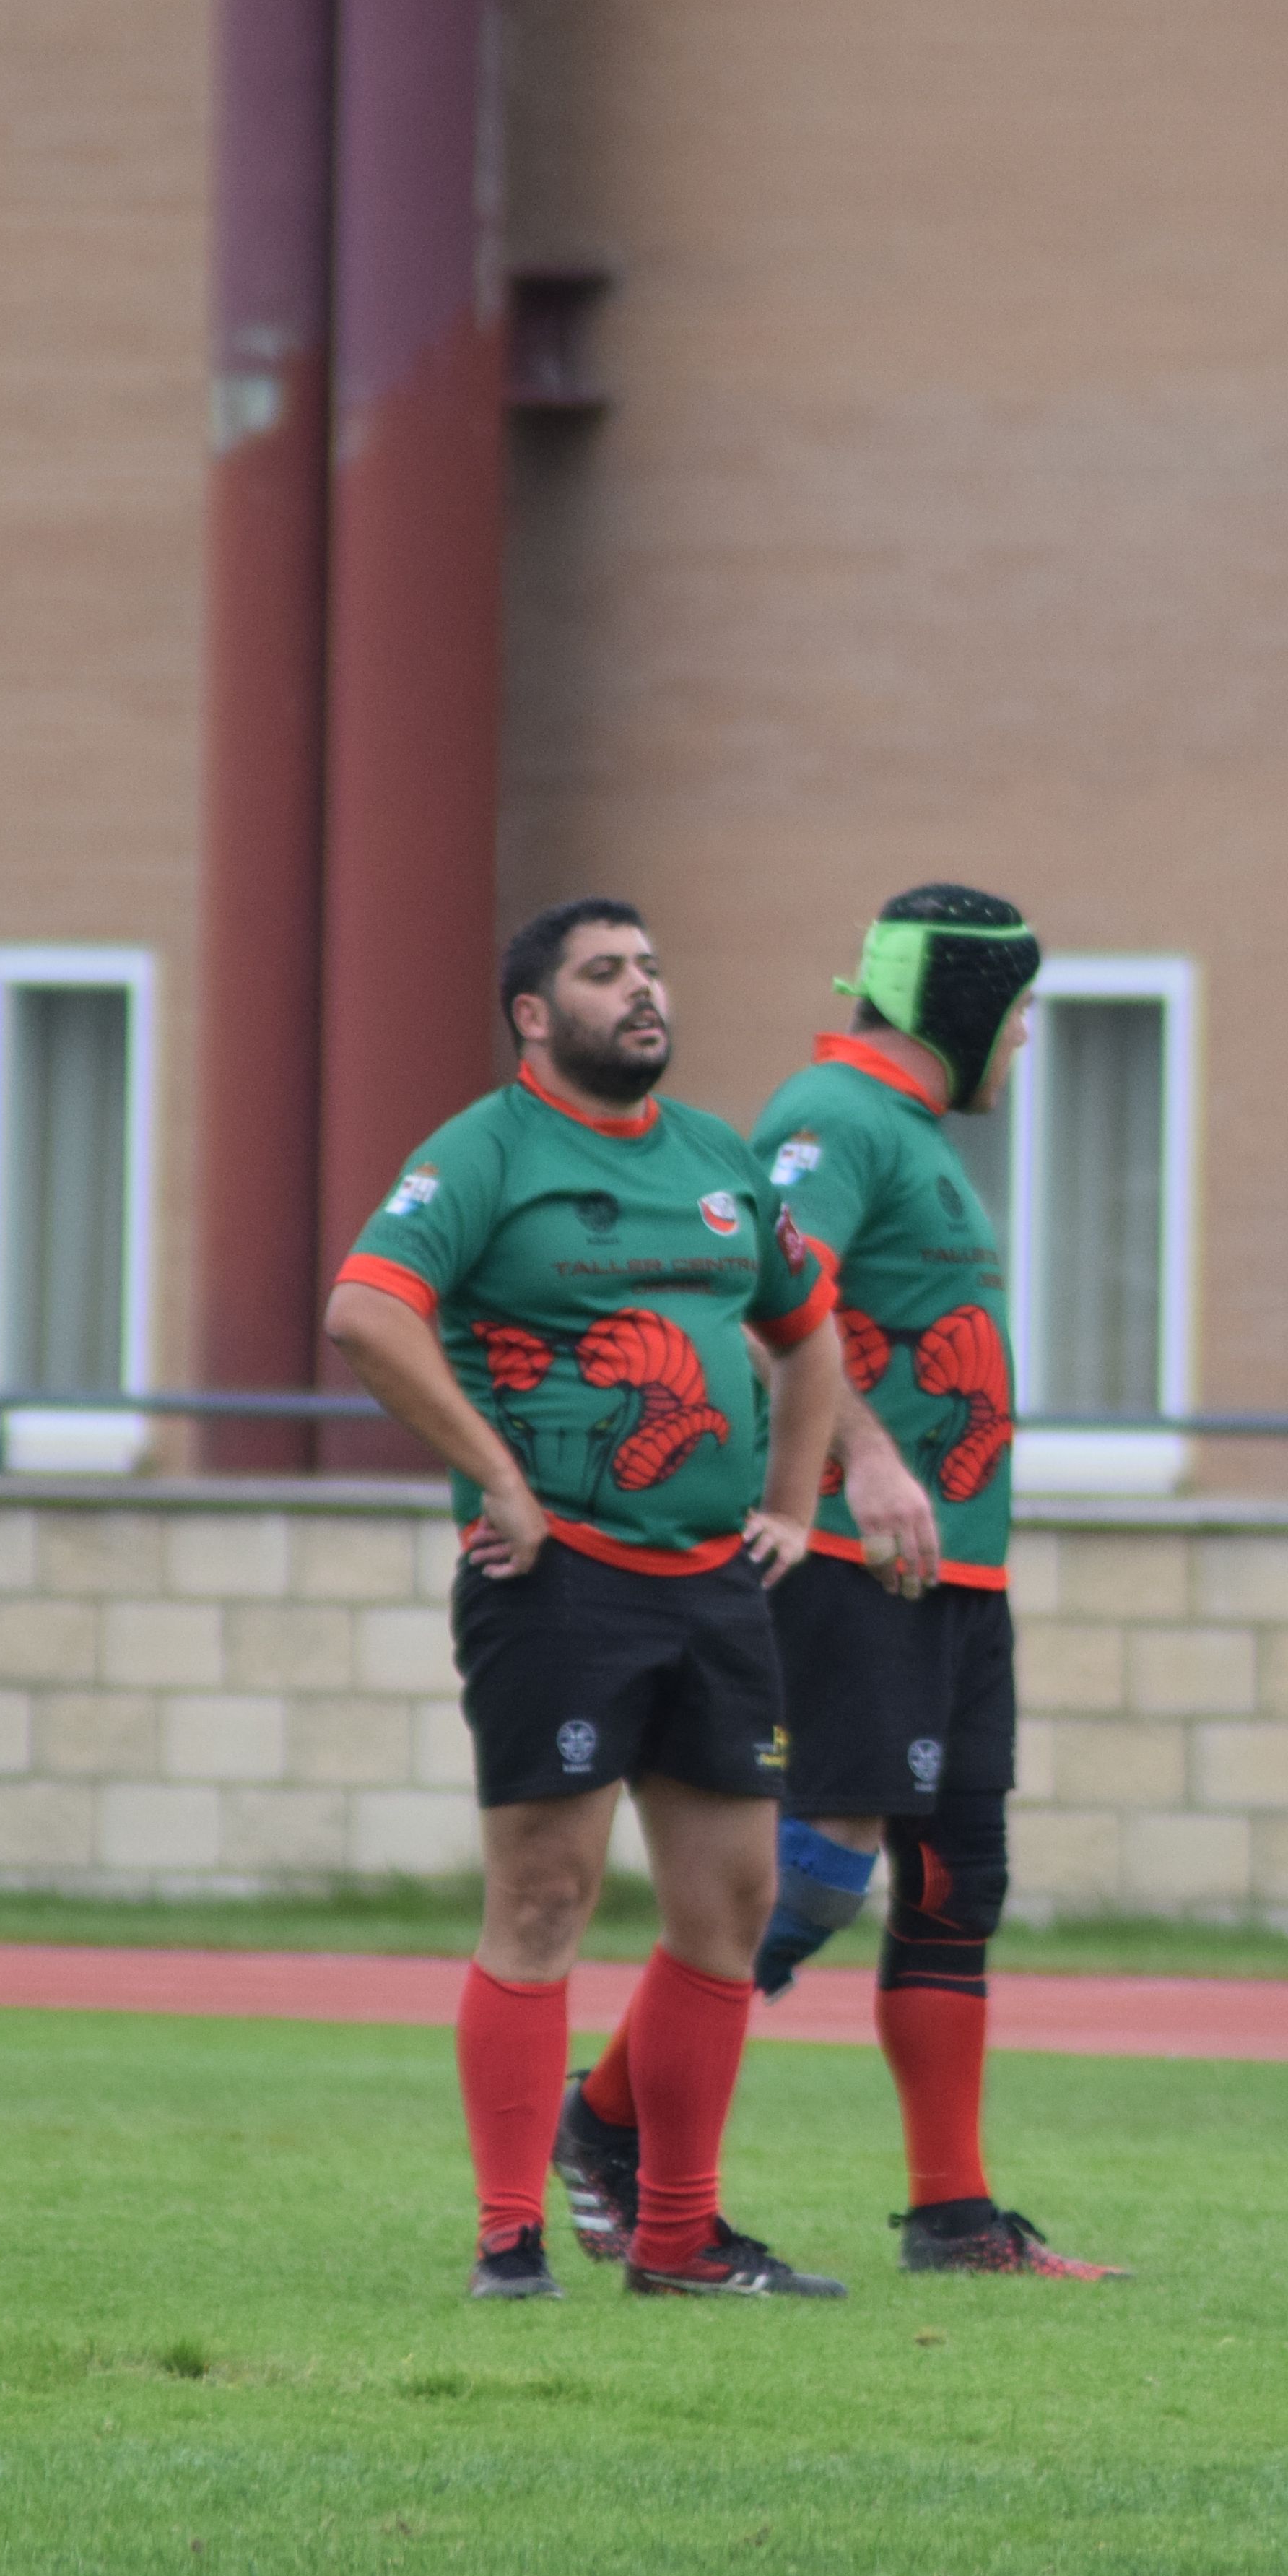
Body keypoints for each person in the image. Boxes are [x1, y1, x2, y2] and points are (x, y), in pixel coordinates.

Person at [553, 885, 1119, 2281]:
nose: (1029, 1039)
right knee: (809, 1873)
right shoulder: (834, 1117)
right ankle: (604, 2124)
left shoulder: (904, 1134)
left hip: (952, 1572)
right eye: (1022, 1010)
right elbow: (753, 1291)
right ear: (968, 1005)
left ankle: (953, 2214)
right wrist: (861, 1460)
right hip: (856, 1561)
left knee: (957, 1881)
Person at [325, 898, 858, 2302]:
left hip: (714, 1586)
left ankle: (678, 2235)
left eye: (652, 969)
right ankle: (511, 2234)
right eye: (605, 972)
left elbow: (810, 1336)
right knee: (546, 1896)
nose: (643, 991)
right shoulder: (482, 1150)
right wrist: (496, 1475)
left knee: (731, 1906)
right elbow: (369, 1311)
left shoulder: (714, 1156)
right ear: (533, 1012)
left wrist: (796, 1509)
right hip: (558, 1586)